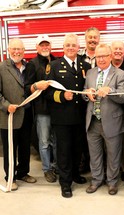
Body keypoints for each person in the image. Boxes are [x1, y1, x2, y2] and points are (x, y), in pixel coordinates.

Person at [45, 33, 91, 198]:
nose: (71, 48)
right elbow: (48, 93)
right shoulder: (54, 65)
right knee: (64, 150)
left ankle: (74, 175)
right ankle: (65, 183)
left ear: (78, 47)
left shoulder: (85, 65)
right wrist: (62, 96)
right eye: (68, 45)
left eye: (74, 45)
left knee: (77, 148)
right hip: (62, 117)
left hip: (80, 116)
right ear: (63, 48)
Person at [84, 43, 124, 195]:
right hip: (93, 120)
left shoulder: (120, 74)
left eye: (104, 56)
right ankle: (96, 180)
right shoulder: (90, 73)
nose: (101, 59)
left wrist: (110, 90)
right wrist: (86, 93)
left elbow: (123, 98)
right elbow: (84, 93)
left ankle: (112, 182)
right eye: (98, 56)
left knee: (113, 154)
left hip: (112, 121)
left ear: (110, 56)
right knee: (94, 154)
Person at [0, 38, 37, 191]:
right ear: (8, 50)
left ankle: (22, 172)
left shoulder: (28, 67)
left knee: (24, 147)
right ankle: (10, 177)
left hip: (27, 114)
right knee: (10, 147)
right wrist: (7, 106)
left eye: (19, 49)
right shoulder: (2, 67)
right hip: (9, 115)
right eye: (14, 49)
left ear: (24, 51)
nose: (17, 52)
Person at [25, 34, 57, 183]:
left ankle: (57, 166)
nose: (45, 47)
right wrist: (37, 85)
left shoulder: (57, 61)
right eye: (42, 45)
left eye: (47, 45)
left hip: (57, 109)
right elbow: (27, 87)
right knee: (44, 142)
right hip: (42, 110)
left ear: (51, 46)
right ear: (37, 47)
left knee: (56, 140)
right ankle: (47, 169)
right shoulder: (32, 64)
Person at [77, 27, 100, 174]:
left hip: (99, 105)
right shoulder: (78, 58)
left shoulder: (104, 56)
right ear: (85, 39)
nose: (92, 39)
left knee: (97, 136)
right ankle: (83, 165)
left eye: (95, 37)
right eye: (89, 37)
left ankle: (98, 167)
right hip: (81, 103)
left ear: (99, 39)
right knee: (82, 136)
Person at [111, 40, 124, 182]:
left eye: (120, 49)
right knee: (111, 139)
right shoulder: (106, 66)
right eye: (115, 49)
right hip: (111, 108)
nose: (118, 51)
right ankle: (114, 167)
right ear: (111, 52)